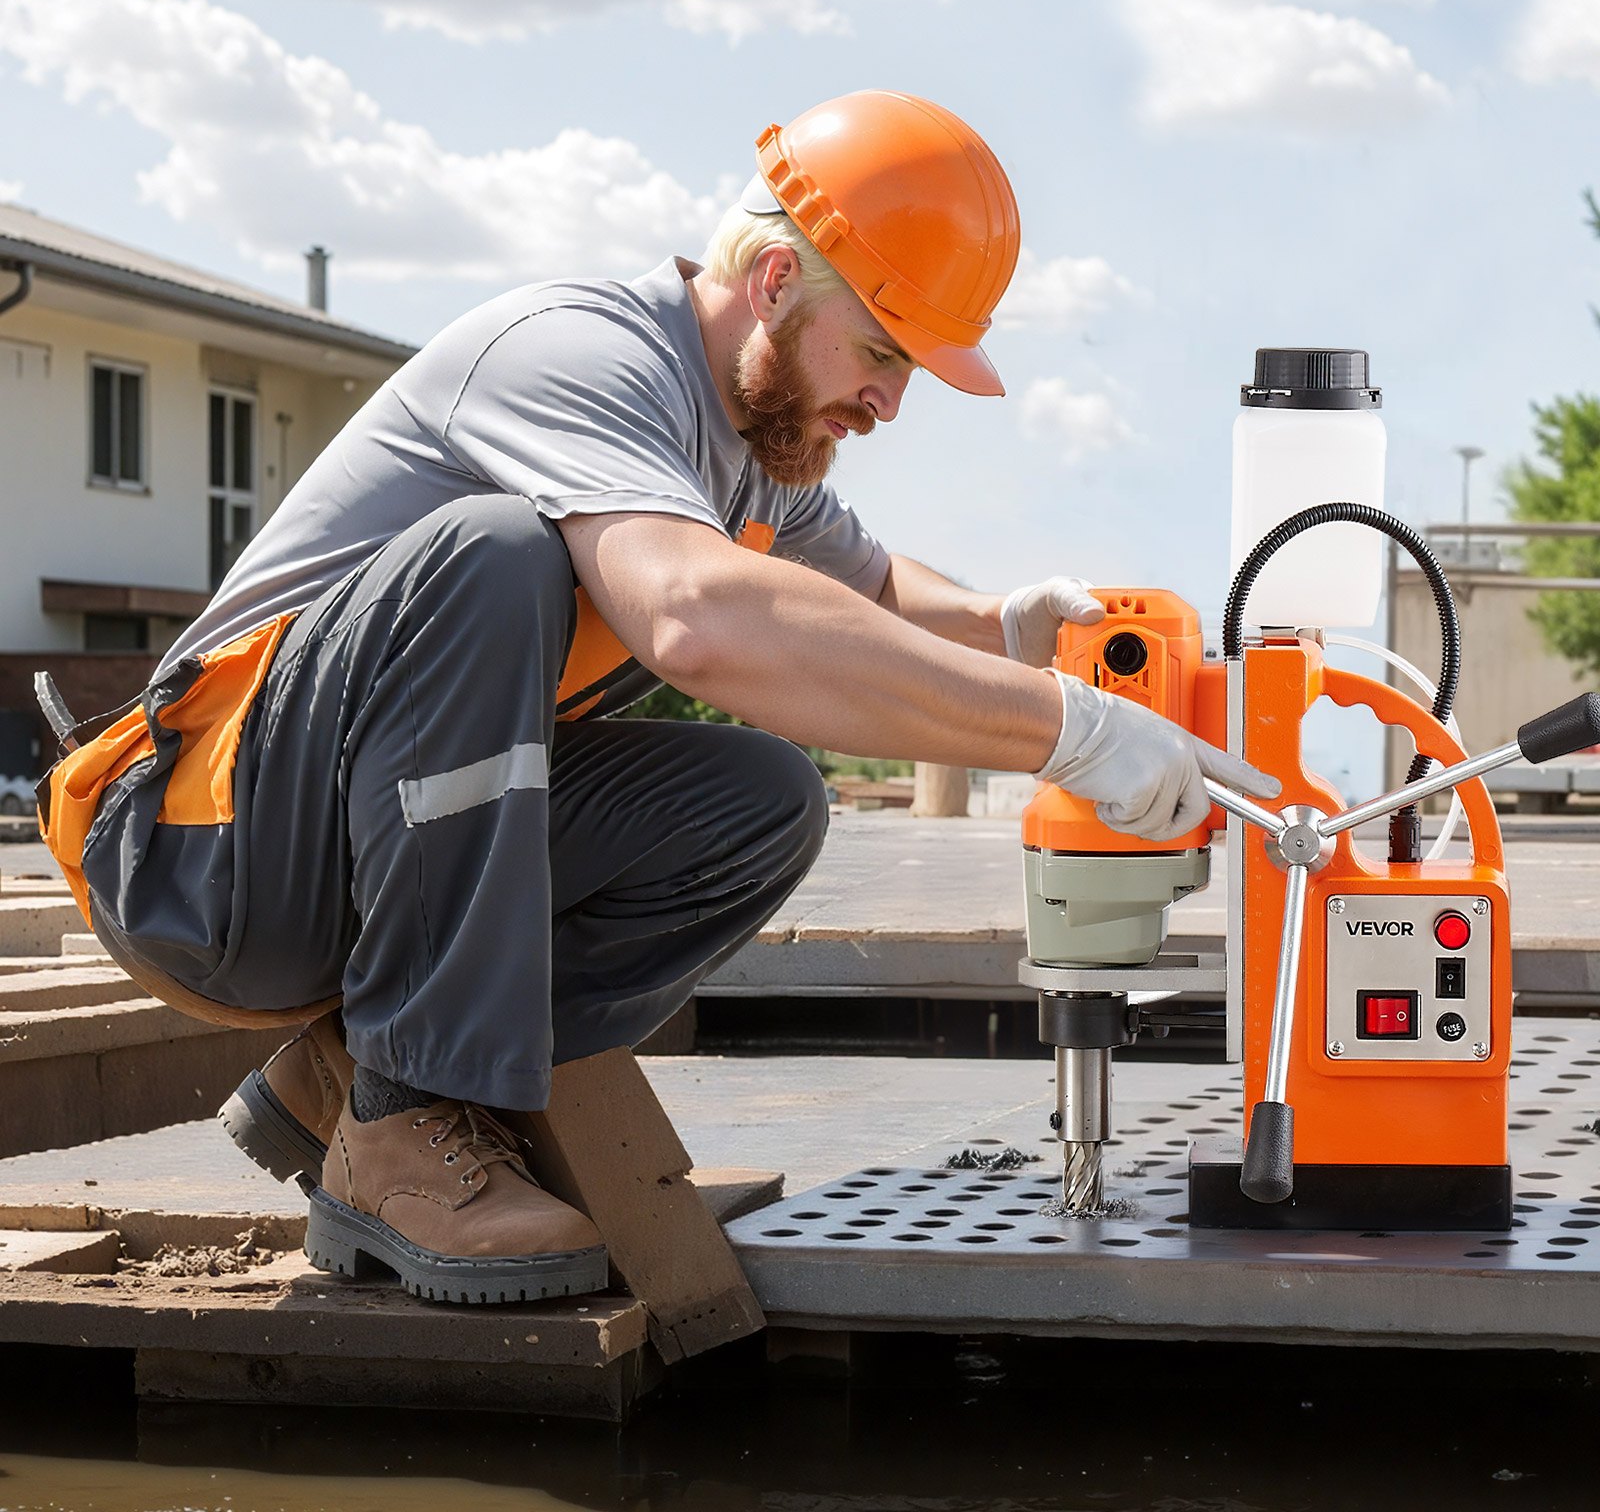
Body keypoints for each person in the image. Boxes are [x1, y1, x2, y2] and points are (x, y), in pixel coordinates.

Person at [37, 89, 1276, 1304]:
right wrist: (1062, 732)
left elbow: (868, 584)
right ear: (779, 282)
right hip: (202, 849)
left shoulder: (756, 446)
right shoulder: (580, 357)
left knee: (764, 800)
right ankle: (410, 1120)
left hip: (329, 859)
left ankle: (360, 1077)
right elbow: (696, 614)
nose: (893, 402)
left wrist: (1013, 627)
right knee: (495, 553)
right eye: (886, 352)